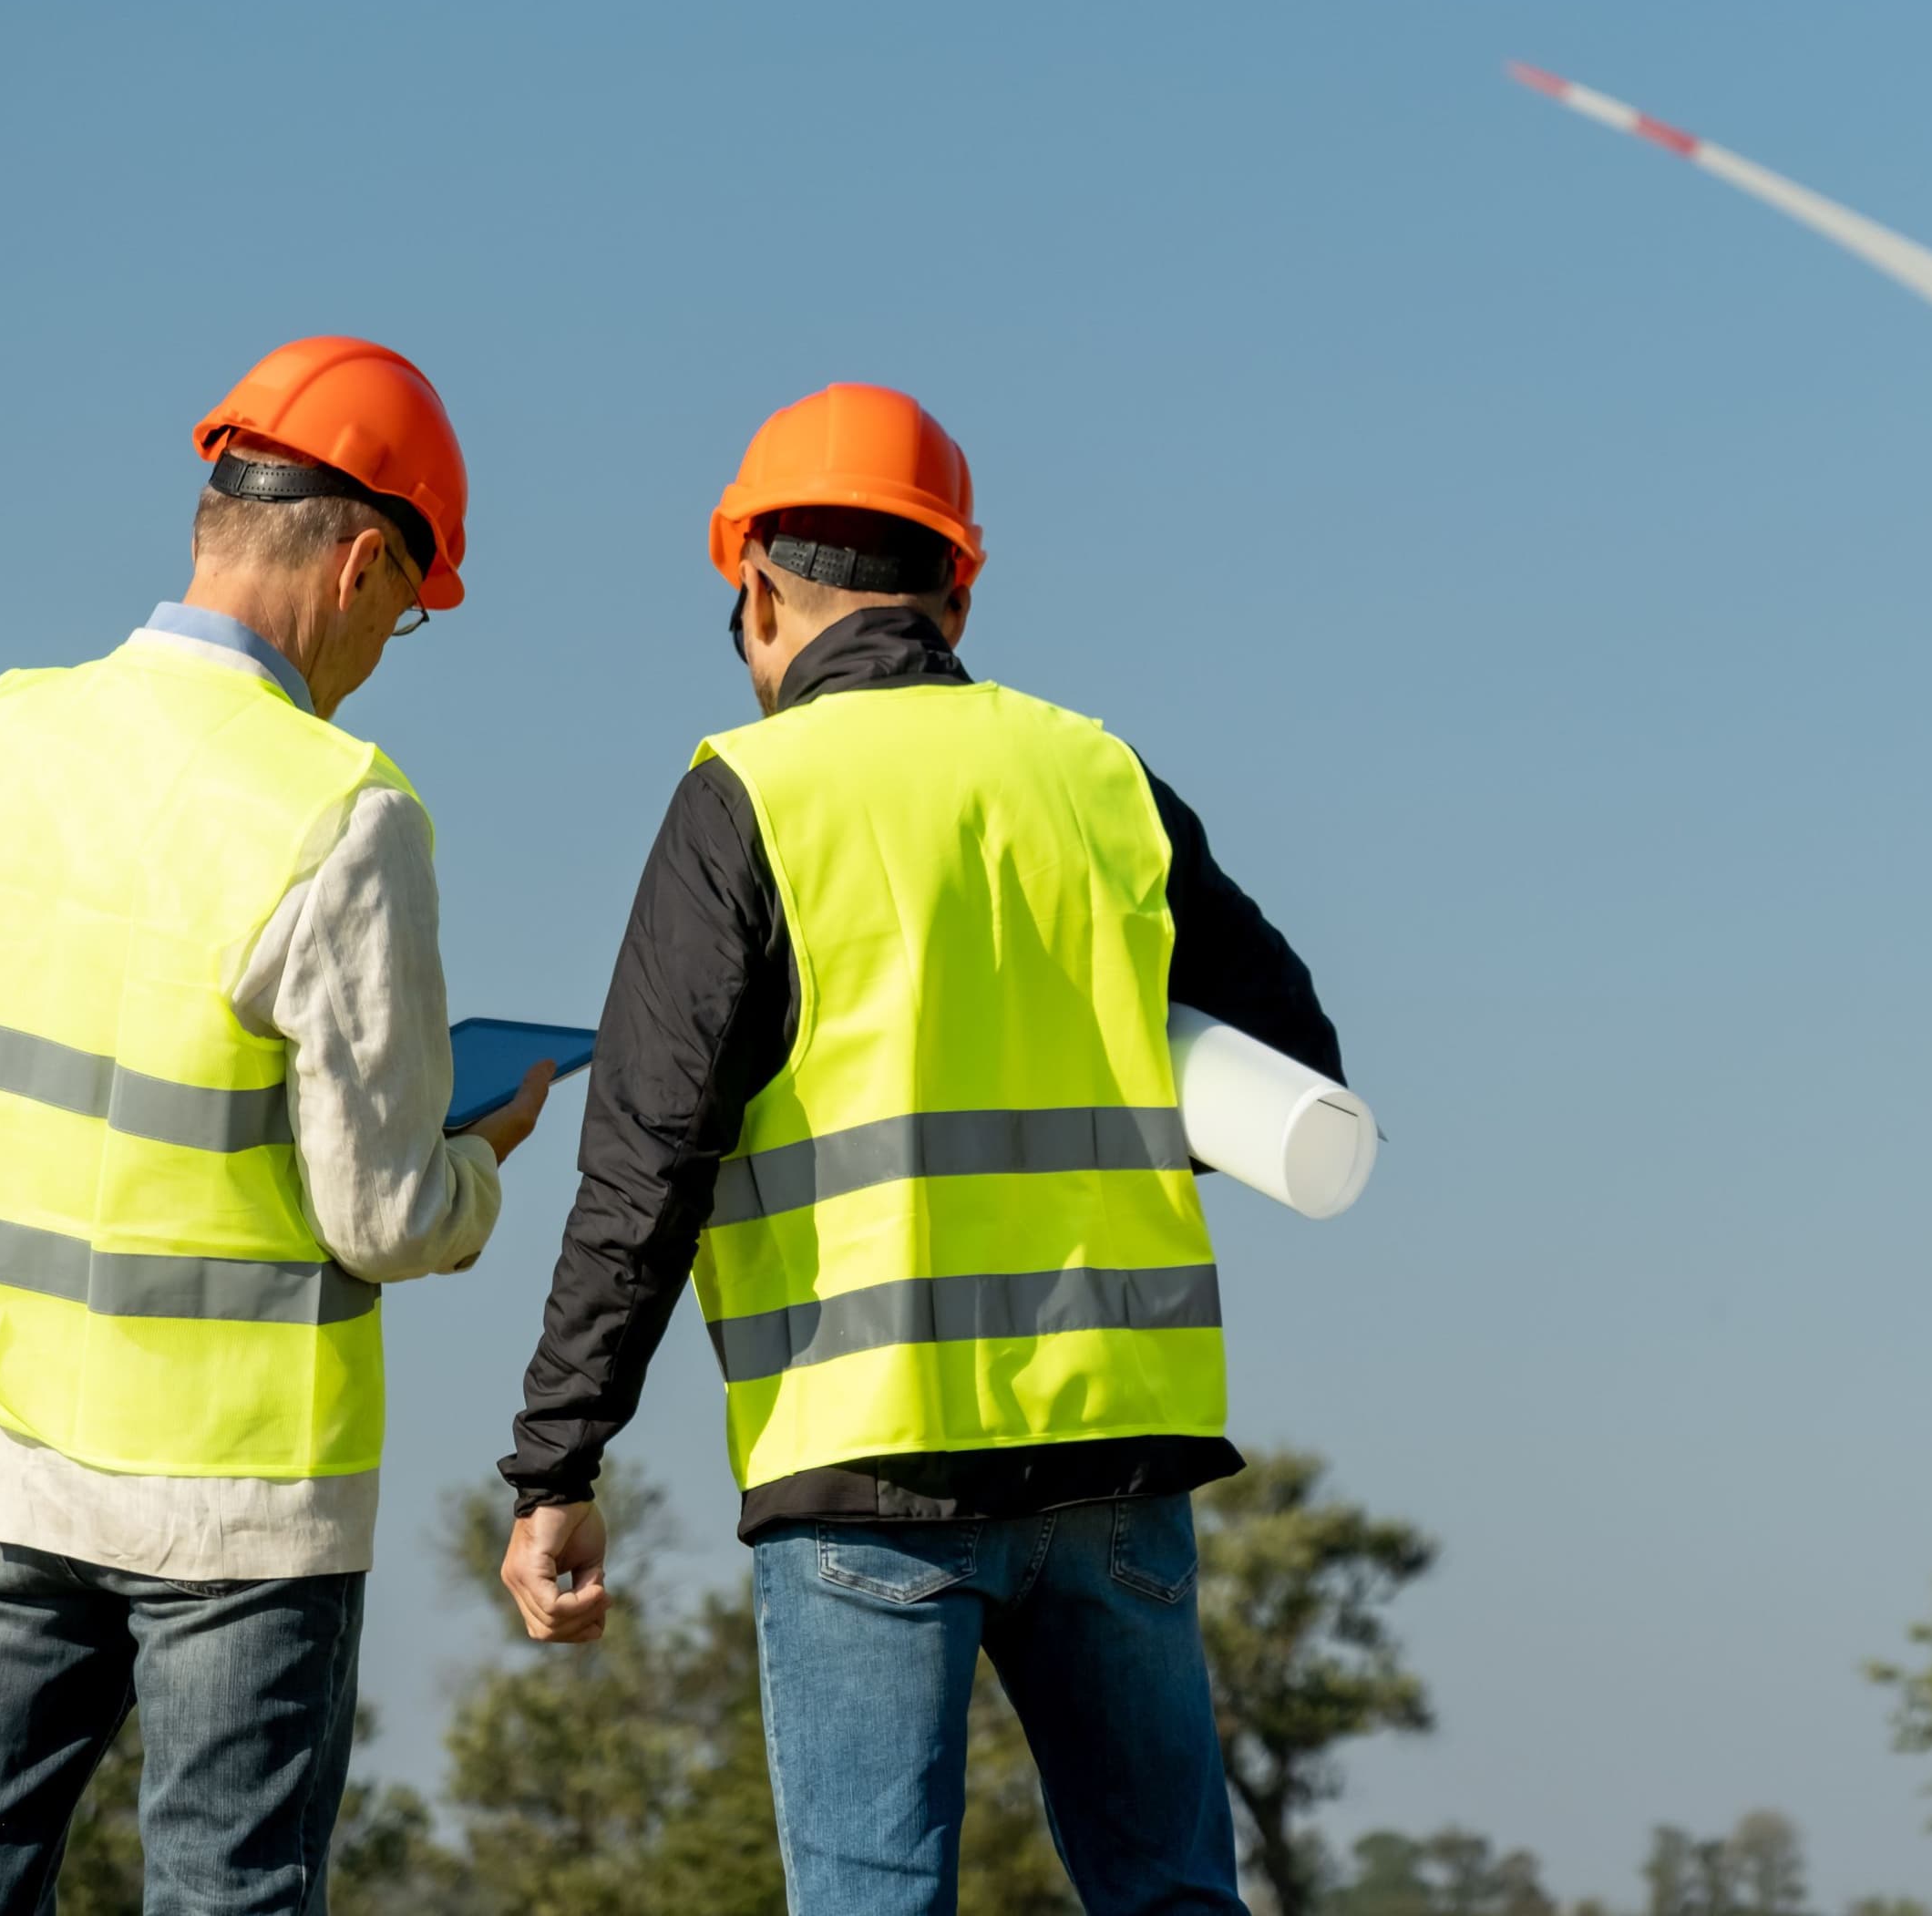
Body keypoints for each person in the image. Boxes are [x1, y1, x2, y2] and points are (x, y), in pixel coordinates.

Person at [498, 382, 1346, 1916]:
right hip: (1116, 1450)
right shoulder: (1098, 778)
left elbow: (646, 1162)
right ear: (958, 586)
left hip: (864, 1464)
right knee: (1172, 1898)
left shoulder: (749, 796)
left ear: (752, 587)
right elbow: (1296, 1068)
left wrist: (557, 1458)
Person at [0, 337, 558, 1913]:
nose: (381, 652)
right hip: (237, 1481)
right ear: (366, 561)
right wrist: (480, 1162)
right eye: (405, 617)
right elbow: (379, 1213)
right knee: (226, 1891)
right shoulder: (343, 810)